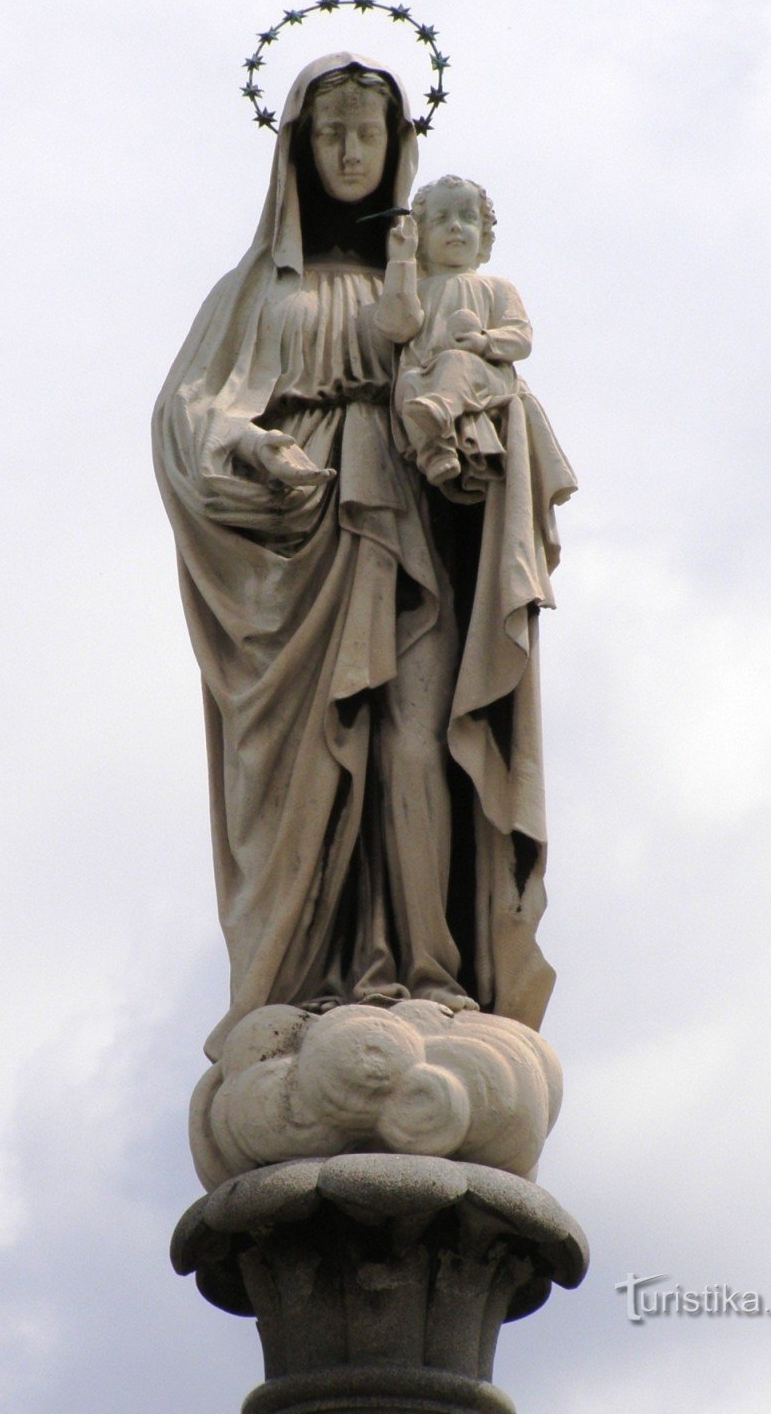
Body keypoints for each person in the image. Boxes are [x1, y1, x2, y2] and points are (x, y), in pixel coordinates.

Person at [152, 54, 576, 1062]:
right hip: (299, 552)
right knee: (314, 764)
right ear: (297, 147)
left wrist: (482, 432)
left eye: (367, 132)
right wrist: (250, 445)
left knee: (420, 745)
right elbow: (187, 415)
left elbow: (482, 377)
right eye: (329, 131)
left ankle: (432, 972)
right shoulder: (255, 292)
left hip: (415, 534)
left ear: (398, 148)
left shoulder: (437, 288)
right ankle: (306, 979)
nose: (348, 149)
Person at [379, 175, 530, 492]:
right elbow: (398, 325)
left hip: (483, 374)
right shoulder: (417, 288)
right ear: (421, 234)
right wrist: (402, 260)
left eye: (467, 217)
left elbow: (520, 337)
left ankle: (439, 409)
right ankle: (437, 453)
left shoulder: (497, 288)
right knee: (406, 386)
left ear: (485, 232)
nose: (456, 226)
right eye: (441, 219)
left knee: (453, 364)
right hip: (422, 374)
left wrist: (485, 341)